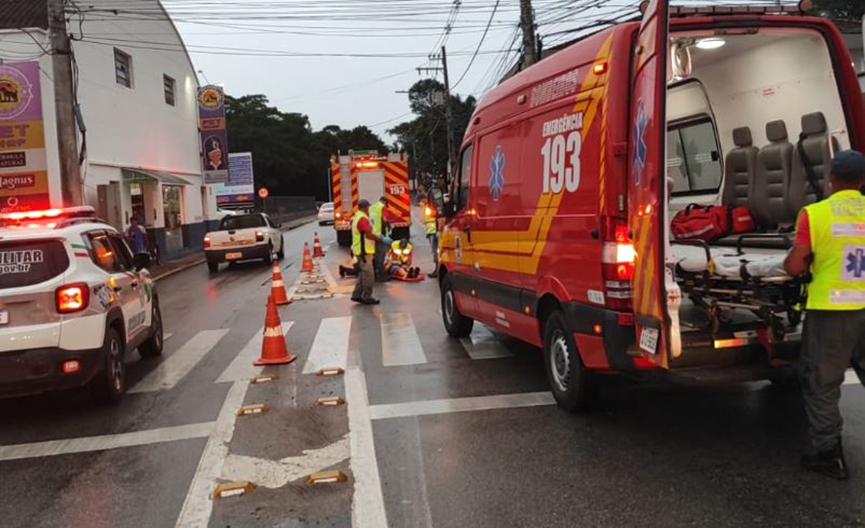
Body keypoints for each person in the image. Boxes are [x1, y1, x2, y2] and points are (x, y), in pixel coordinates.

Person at [784, 149, 865, 480]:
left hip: (832, 312)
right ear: (861, 182)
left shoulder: (816, 214)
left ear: (830, 179)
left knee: (823, 384)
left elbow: (795, 264)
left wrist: (790, 264)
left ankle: (828, 455)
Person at [351, 199, 392, 305]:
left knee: (363, 274)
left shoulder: (358, 216)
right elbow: (368, 234)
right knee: (369, 275)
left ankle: (356, 294)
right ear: (364, 208)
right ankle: (367, 296)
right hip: (364, 252)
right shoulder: (363, 219)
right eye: (367, 207)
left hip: (360, 251)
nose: (369, 209)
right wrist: (381, 239)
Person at [368, 196, 391, 281]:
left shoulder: (372, 208)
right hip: (380, 236)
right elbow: (384, 220)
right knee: (380, 256)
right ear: (385, 202)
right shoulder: (382, 207)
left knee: (374, 256)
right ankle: (381, 276)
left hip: (371, 235)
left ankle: (374, 274)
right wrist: (389, 224)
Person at [423, 199, 439, 278]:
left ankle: (437, 270)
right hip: (432, 232)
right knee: (435, 252)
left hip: (433, 232)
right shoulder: (427, 207)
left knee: (435, 252)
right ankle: (437, 269)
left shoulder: (430, 207)